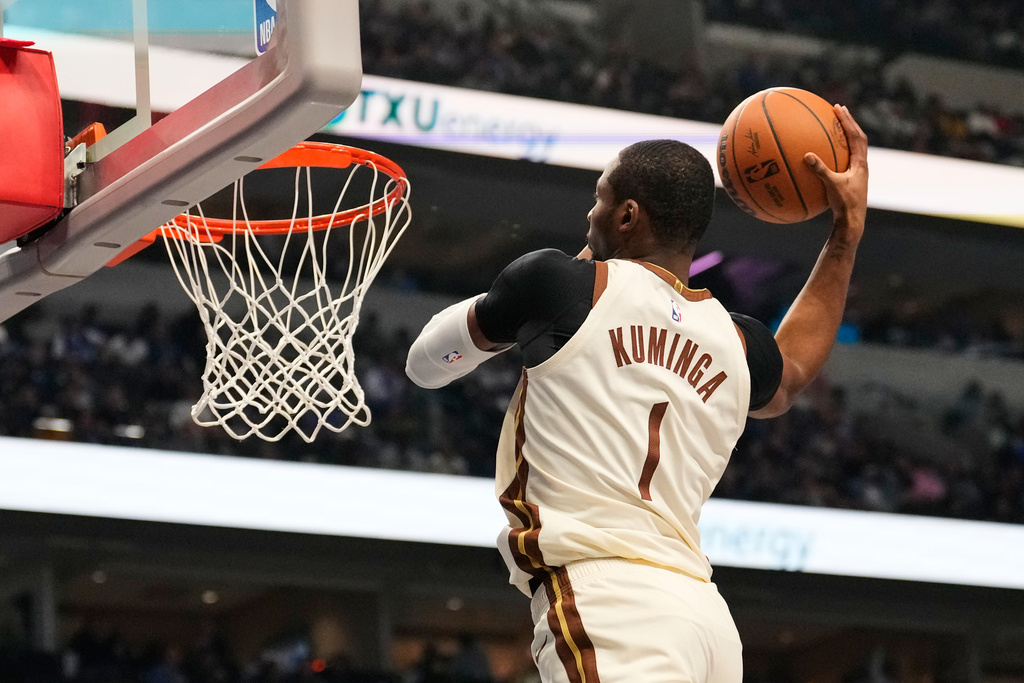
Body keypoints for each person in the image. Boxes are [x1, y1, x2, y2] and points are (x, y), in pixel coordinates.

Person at [406, 105, 869, 682]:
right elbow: (793, 369)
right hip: (705, 617)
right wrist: (846, 233)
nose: (589, 212)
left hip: (610, 602)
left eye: (599, 197)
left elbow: (425, 364)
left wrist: (574, 267)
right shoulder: (735, 340)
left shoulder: (559, 284)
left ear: (627, 215)